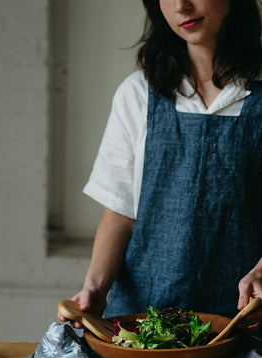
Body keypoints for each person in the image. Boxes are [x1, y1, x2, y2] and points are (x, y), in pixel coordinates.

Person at [58, 0, 262, 333]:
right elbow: (122, 212)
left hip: (243, 323)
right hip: (144, 323)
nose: (182, 6)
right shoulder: (139, 93)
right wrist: (95, 288)